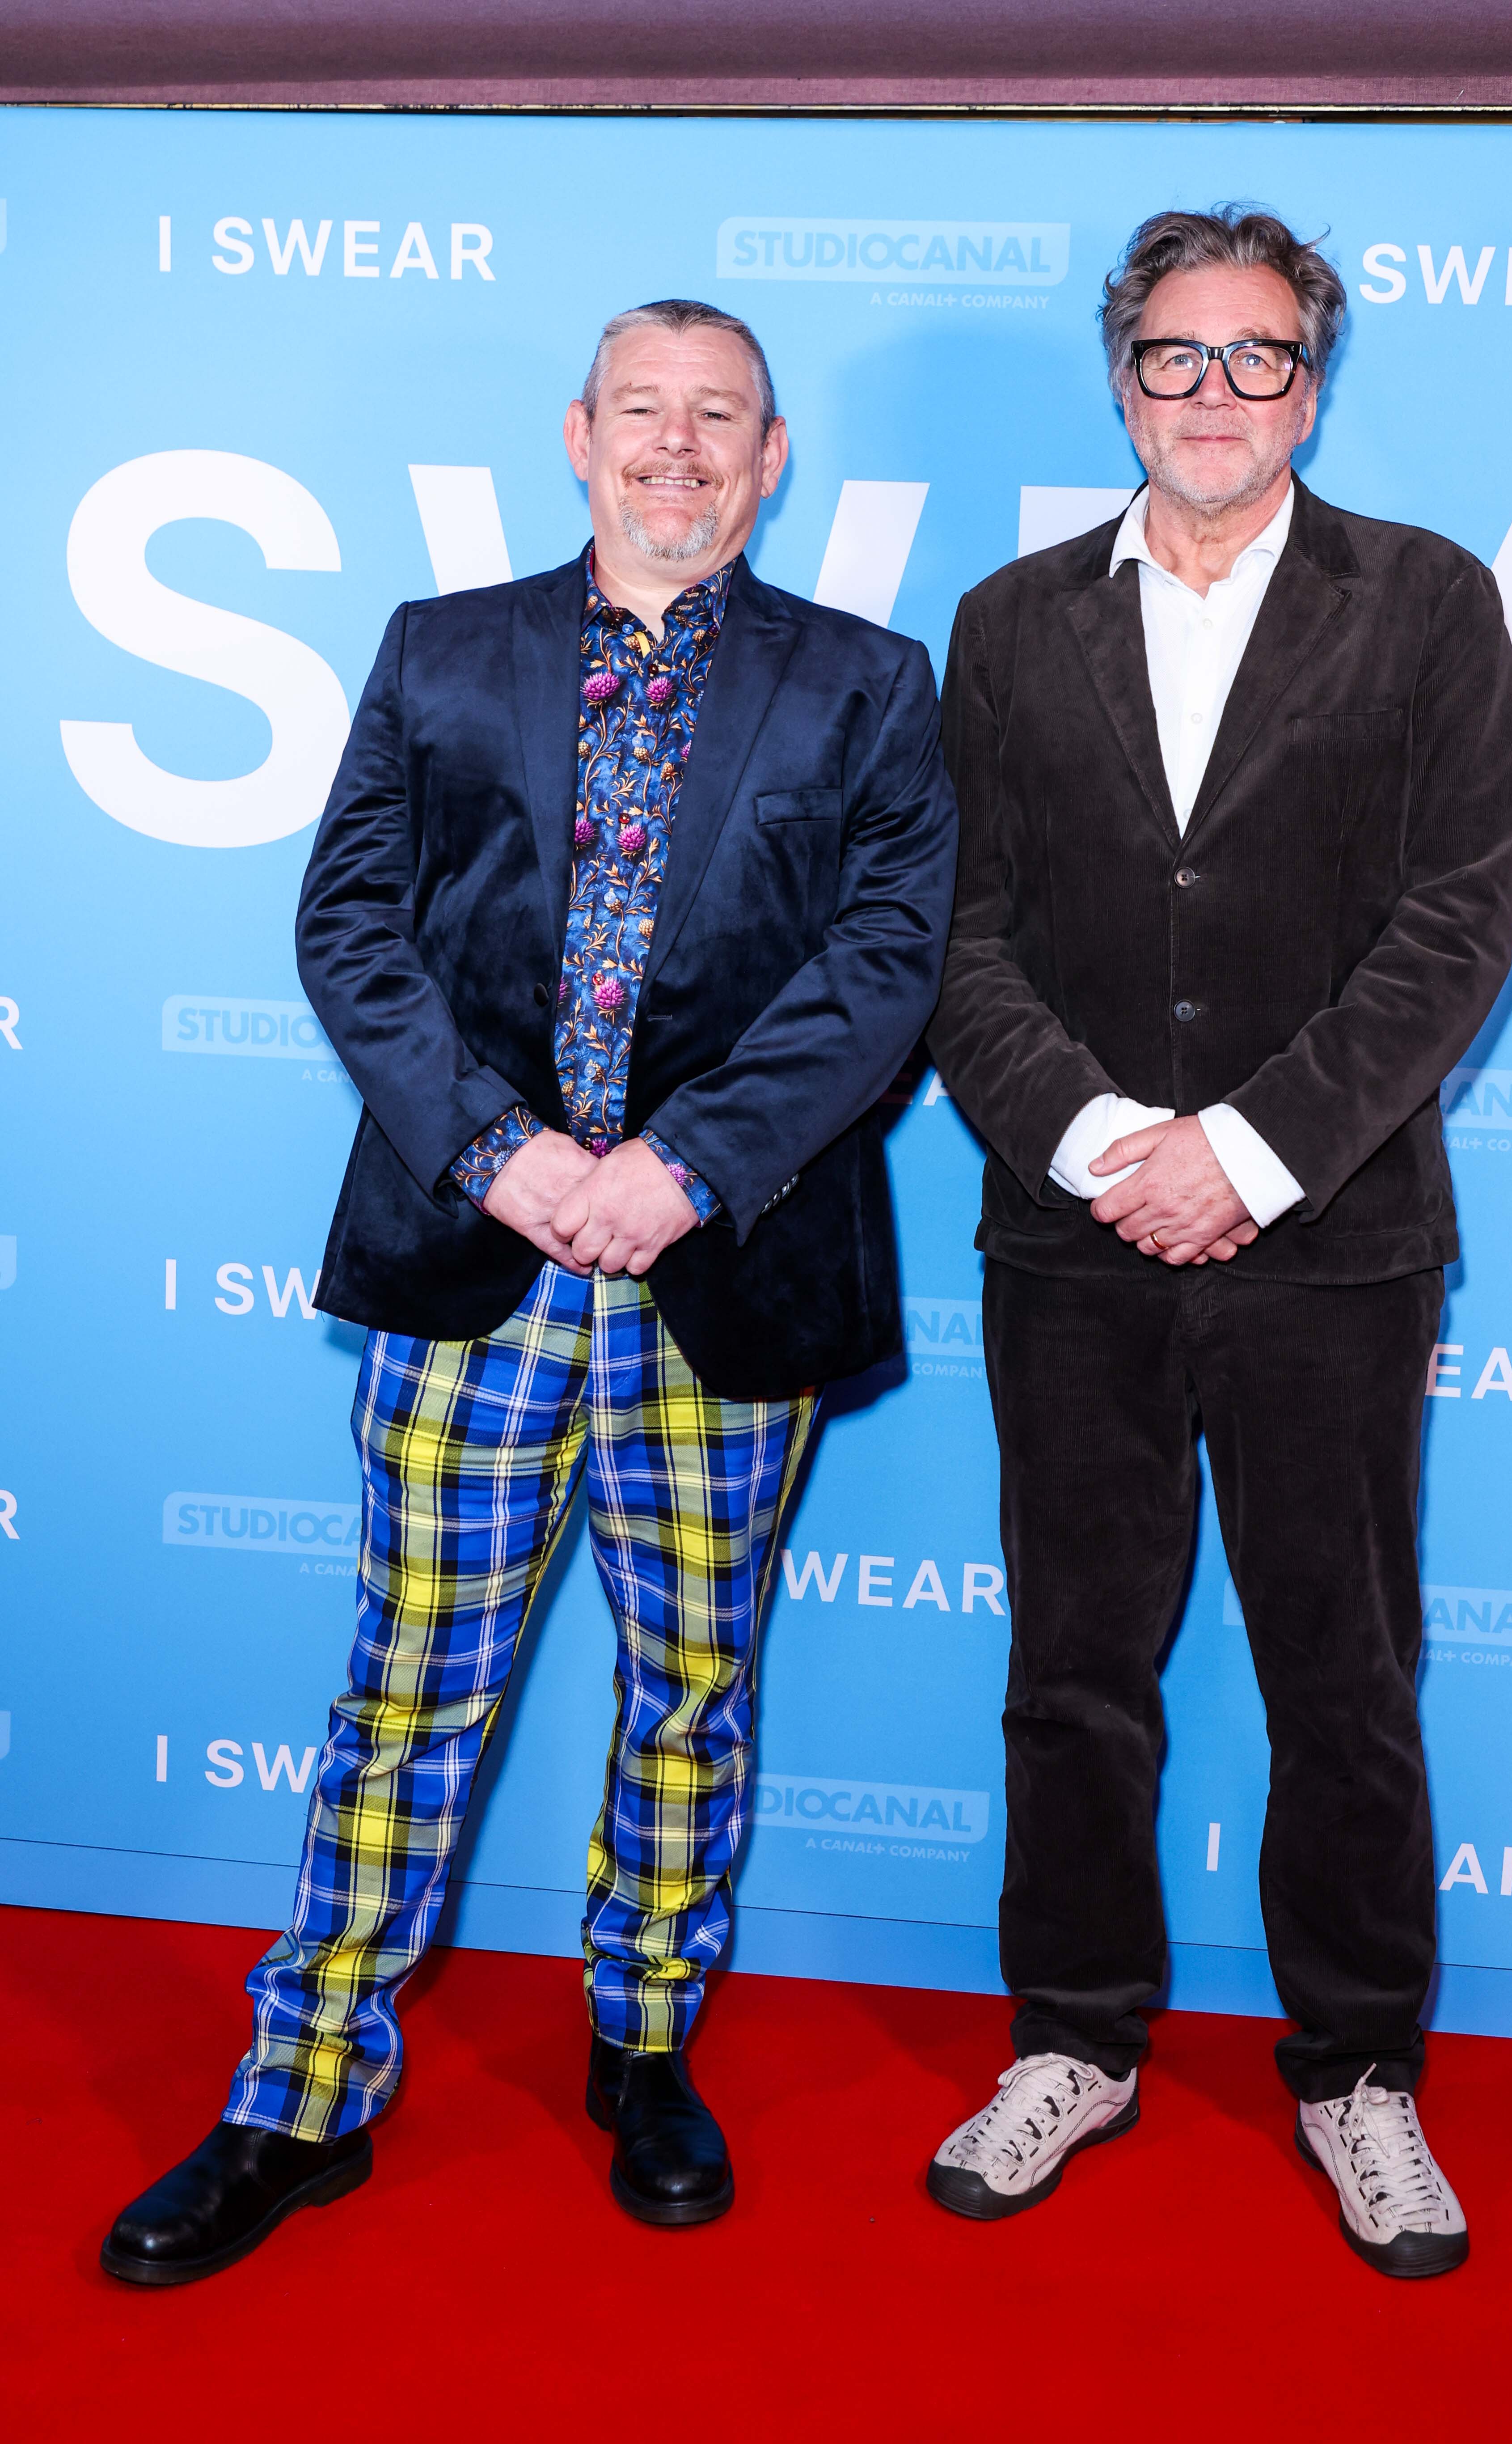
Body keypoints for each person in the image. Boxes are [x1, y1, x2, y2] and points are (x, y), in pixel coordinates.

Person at [102, 298, 957, 2284]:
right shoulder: (442, 650)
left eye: (719, 418)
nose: (679, 448)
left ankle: (644, 2044)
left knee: (690, 1695)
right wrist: (507, 1152)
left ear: (769, 459)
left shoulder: (872, 686)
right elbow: (351, 926)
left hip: (719, 1278)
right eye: (643, 412)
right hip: (473, 1272)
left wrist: (679, 1166)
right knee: (407, 1699)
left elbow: (886, 967)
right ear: (577, 435)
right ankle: (300, 2094)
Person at [922, 208, 1512, 2276]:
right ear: (1121, 380)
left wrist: (1249, 1154)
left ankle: (1361, 2069)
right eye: (1174, 357)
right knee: (1074, 1669)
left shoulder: (1431, 604)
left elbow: (1455, 927)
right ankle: (1075, 2037)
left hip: (1335, 1246)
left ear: (1313, 379)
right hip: (1074, 1241)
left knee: (1340, 1679)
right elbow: (958, 928)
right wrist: (1108, 1142)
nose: (1213, 393)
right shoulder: (1006, 624)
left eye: (1256, 357)